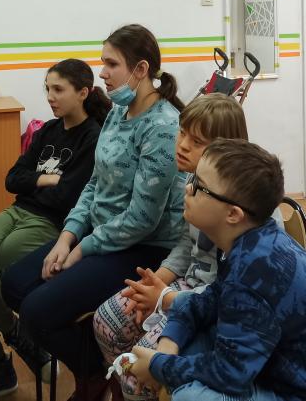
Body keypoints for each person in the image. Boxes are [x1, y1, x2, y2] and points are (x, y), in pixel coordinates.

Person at [1, 24, 185, 400]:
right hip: (100, 236)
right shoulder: (118, 112)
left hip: (142, 247)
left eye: (111, 64)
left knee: (36, 313)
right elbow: (94, 184)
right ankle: (95, 356)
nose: (102, 72)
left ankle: (92, 372)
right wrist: (67, 237)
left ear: (141, 69)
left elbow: (142, 219)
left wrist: (82, 249)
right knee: (14, 284)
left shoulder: (163, 127)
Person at [129, 139, 306, 401]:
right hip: (275, 371)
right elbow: (205, 303)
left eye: (199, 186)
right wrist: (166, 350)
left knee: (190, 397)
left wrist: (160, 366)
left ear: (233, 214)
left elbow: (230, 373)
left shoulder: (256, 268)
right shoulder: (248, 242)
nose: (188, 188)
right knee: (182, 340)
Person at [0, 58, 110, 401]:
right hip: (18, 211)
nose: (50, 97)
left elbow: (67, 197)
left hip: (50, 223)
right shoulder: (48, 130)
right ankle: (19, 336)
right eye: (47, 89)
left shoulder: (93, 138)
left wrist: (35, 181)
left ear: (83, 92)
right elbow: (11, 179)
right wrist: (47, 179)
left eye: (58, 89)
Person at [93, 93, 250, 401]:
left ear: (227, 148)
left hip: (214, 307)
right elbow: (188, 242)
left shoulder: (244, 206)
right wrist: (156, 282)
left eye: (197, 141)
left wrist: (164, 298)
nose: (182, 145)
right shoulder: (194, 180)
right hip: (187, 287)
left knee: (138, 374)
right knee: (105, 320)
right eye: (182, 133)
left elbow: (229, 296)